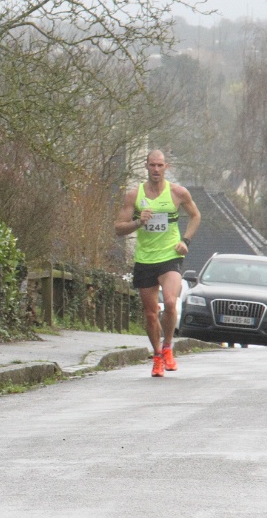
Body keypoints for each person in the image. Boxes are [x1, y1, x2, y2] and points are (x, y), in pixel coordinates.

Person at [115, 149, 201, 377]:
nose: (156, 169)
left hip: (170, 256)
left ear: (166, 167)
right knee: (151, 313)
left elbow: (196, 216)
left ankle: (168, 347)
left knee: (171, 302)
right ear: (146, 166)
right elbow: (118, 228)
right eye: (152, 165)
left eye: (160, 165)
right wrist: (137, 222)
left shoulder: (177, 192)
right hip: (145, 259)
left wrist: (185, 241)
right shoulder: (134, 195)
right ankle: (156, 356)